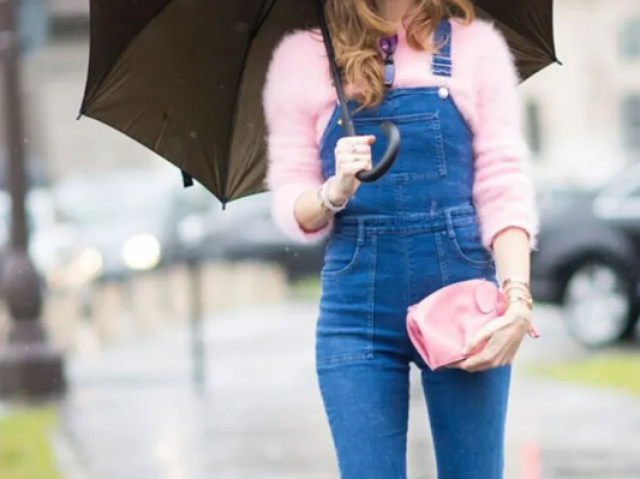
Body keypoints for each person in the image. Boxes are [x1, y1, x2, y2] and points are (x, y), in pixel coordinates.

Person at [262, 0, 538, 477]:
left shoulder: (477, 48)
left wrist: (517, 298)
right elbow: (292, 200)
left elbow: (502, 183)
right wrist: (333, 191)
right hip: (356, 313)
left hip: (463, 304)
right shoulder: (303, 58)